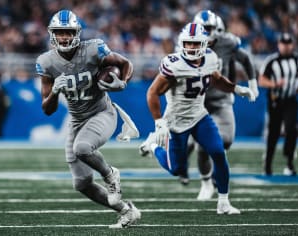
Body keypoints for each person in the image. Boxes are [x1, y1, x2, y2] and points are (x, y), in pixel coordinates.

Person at [36, 10, 140, 228]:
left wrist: (124, 81)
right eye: (60, 33)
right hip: (76, 121)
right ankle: (127, 211)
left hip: (101, 112)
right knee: (82, 184)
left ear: (77, 33)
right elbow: (47, 109)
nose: (64, 37)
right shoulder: (46, 62)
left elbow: (125, 63)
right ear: (52, 34)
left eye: (68, 32)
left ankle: (110, 175)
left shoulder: (94, 48)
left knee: (82, 148)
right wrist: (54, 91)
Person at [139, 22, 257, 215]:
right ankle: (153, 146)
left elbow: (216, 79)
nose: (191, 47)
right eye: (188, 43)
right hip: (176, 122)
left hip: (200, 116)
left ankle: (223, 203)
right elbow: (152, 93)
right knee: (176, 168)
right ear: (182, 43)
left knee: (218, 152)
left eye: (195, 44)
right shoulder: (174, 64)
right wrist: (159, 123)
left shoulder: (210, 58)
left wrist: (236, 89)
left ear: (205, 44)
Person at [184, 10, 260, 200]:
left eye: (208, 29)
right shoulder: (188, 44)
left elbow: (246, 59)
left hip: (221, 100)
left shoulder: (227, 43)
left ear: (218, 29)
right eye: (202, 29)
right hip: (198, 102)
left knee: (225, 140)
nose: (205, 33)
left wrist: (252, 84)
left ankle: (213, 169)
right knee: (202, 145)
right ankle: (206, 182)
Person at [258, 32, 298, 176]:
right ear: (279, 44)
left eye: (288, 43)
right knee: (273, 133)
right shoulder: (272, 61)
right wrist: (275, 84)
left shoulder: (297, 60)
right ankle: (268, 164)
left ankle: (289, 163)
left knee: (291, 129)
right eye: (283, 43)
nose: (286, 46)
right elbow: (261, 80)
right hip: (276, 101)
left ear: (292, 44)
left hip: (290, 100)